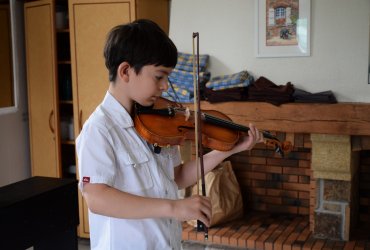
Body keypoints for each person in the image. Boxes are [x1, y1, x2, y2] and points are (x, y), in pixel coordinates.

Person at [76, 19, 263, 250]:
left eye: (168, 78)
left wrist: (228, 149)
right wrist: (175, 207)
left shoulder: (159, 122)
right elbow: (97, 199)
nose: (165, 86)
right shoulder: (99, 129)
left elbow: (177, 176)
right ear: (125, 71)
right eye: (158, 76)